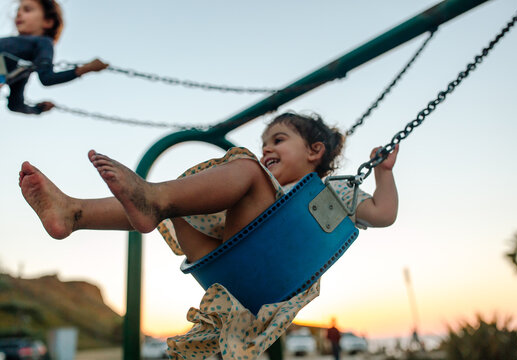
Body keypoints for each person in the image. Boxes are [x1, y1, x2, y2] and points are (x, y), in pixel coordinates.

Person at [19, 112, 399, 360]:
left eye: (278, 140)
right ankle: (75, 213)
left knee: (246, 170)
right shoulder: (251, 192)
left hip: (271, 277)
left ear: (315, 151)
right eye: (265, 141)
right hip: (225, 266)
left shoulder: (335, 194)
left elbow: (384, 214)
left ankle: (153, 199)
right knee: (188, 199)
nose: (267, 147)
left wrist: (383, 172)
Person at [0, 0, 108, 114]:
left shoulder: (43, 43)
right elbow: (15, 104)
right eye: (18, 10)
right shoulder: (21, 65)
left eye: (27, 10)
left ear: (48, 21)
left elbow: (47, 78)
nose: (19, 14)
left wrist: (85, 69)